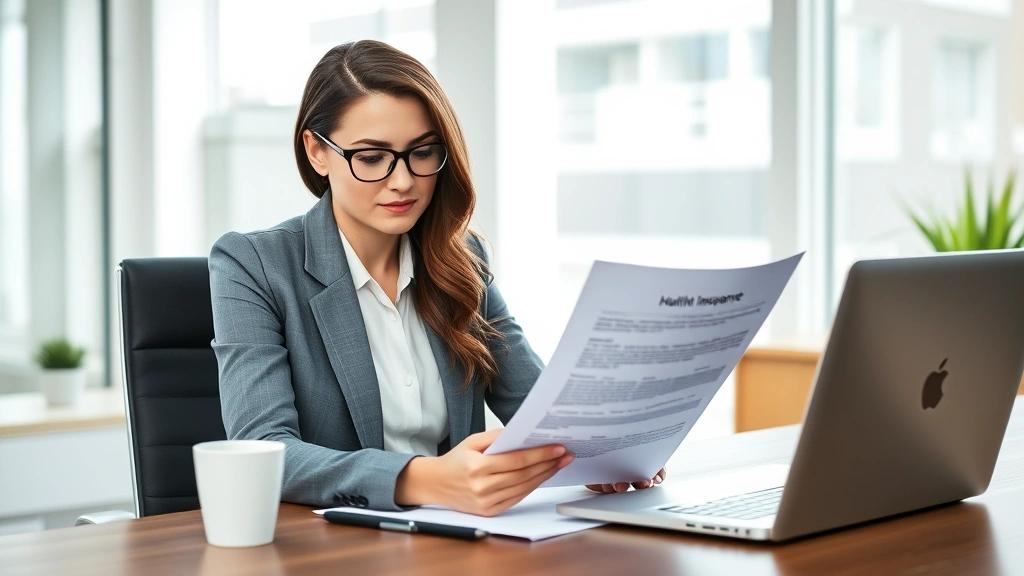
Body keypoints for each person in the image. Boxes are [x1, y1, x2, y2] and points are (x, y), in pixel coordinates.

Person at [209, 39, 664, 517]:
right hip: (329, 550)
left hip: (456, 542)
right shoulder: (252, 265)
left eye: (422, 152)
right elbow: (263, 452)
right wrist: (427, 479)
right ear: (317, 152)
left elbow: (540, 411)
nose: (403, 180)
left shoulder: (462, 259)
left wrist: (603, 451)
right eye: (371, 158)